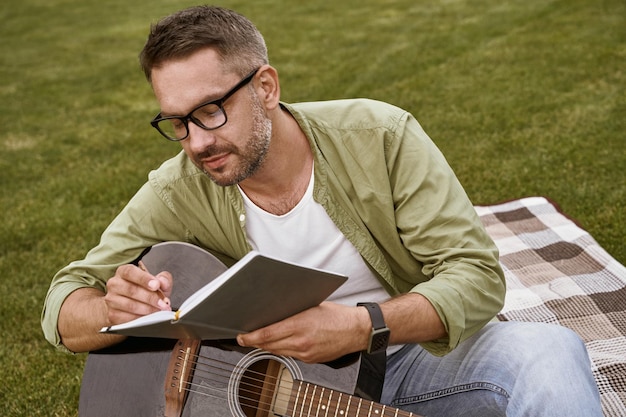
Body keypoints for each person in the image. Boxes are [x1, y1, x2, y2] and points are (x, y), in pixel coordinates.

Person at [42, 5, 602, 416]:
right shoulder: (178, 188)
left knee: (549, 352)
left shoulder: (380, 136)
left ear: (265, 86)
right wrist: (117, 308)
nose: (195, 142)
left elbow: (476, 276)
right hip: (273, 396)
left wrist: (362, 326)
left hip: (403, 359)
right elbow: (63, 306)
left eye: (210, 111)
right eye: (176, 122)